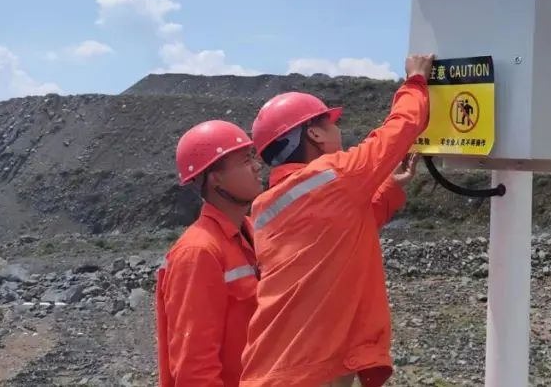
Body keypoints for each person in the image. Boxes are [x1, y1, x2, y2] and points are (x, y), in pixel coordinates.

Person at [239, 53, 434, 387]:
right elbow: (398, 130)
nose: (338, 129)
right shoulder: (333, 175)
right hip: (308, 372)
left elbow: (342, 232)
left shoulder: (266, 206)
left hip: (277, 368)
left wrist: (389, 187)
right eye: (331, 123)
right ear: (314, 134)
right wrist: (416, 80)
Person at [156, 120, 264, 387]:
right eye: (245, 161)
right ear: (216, 178)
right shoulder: (198, 253)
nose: (257, 166)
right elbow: (195, 369)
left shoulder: (252, 232)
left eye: (253, 157)